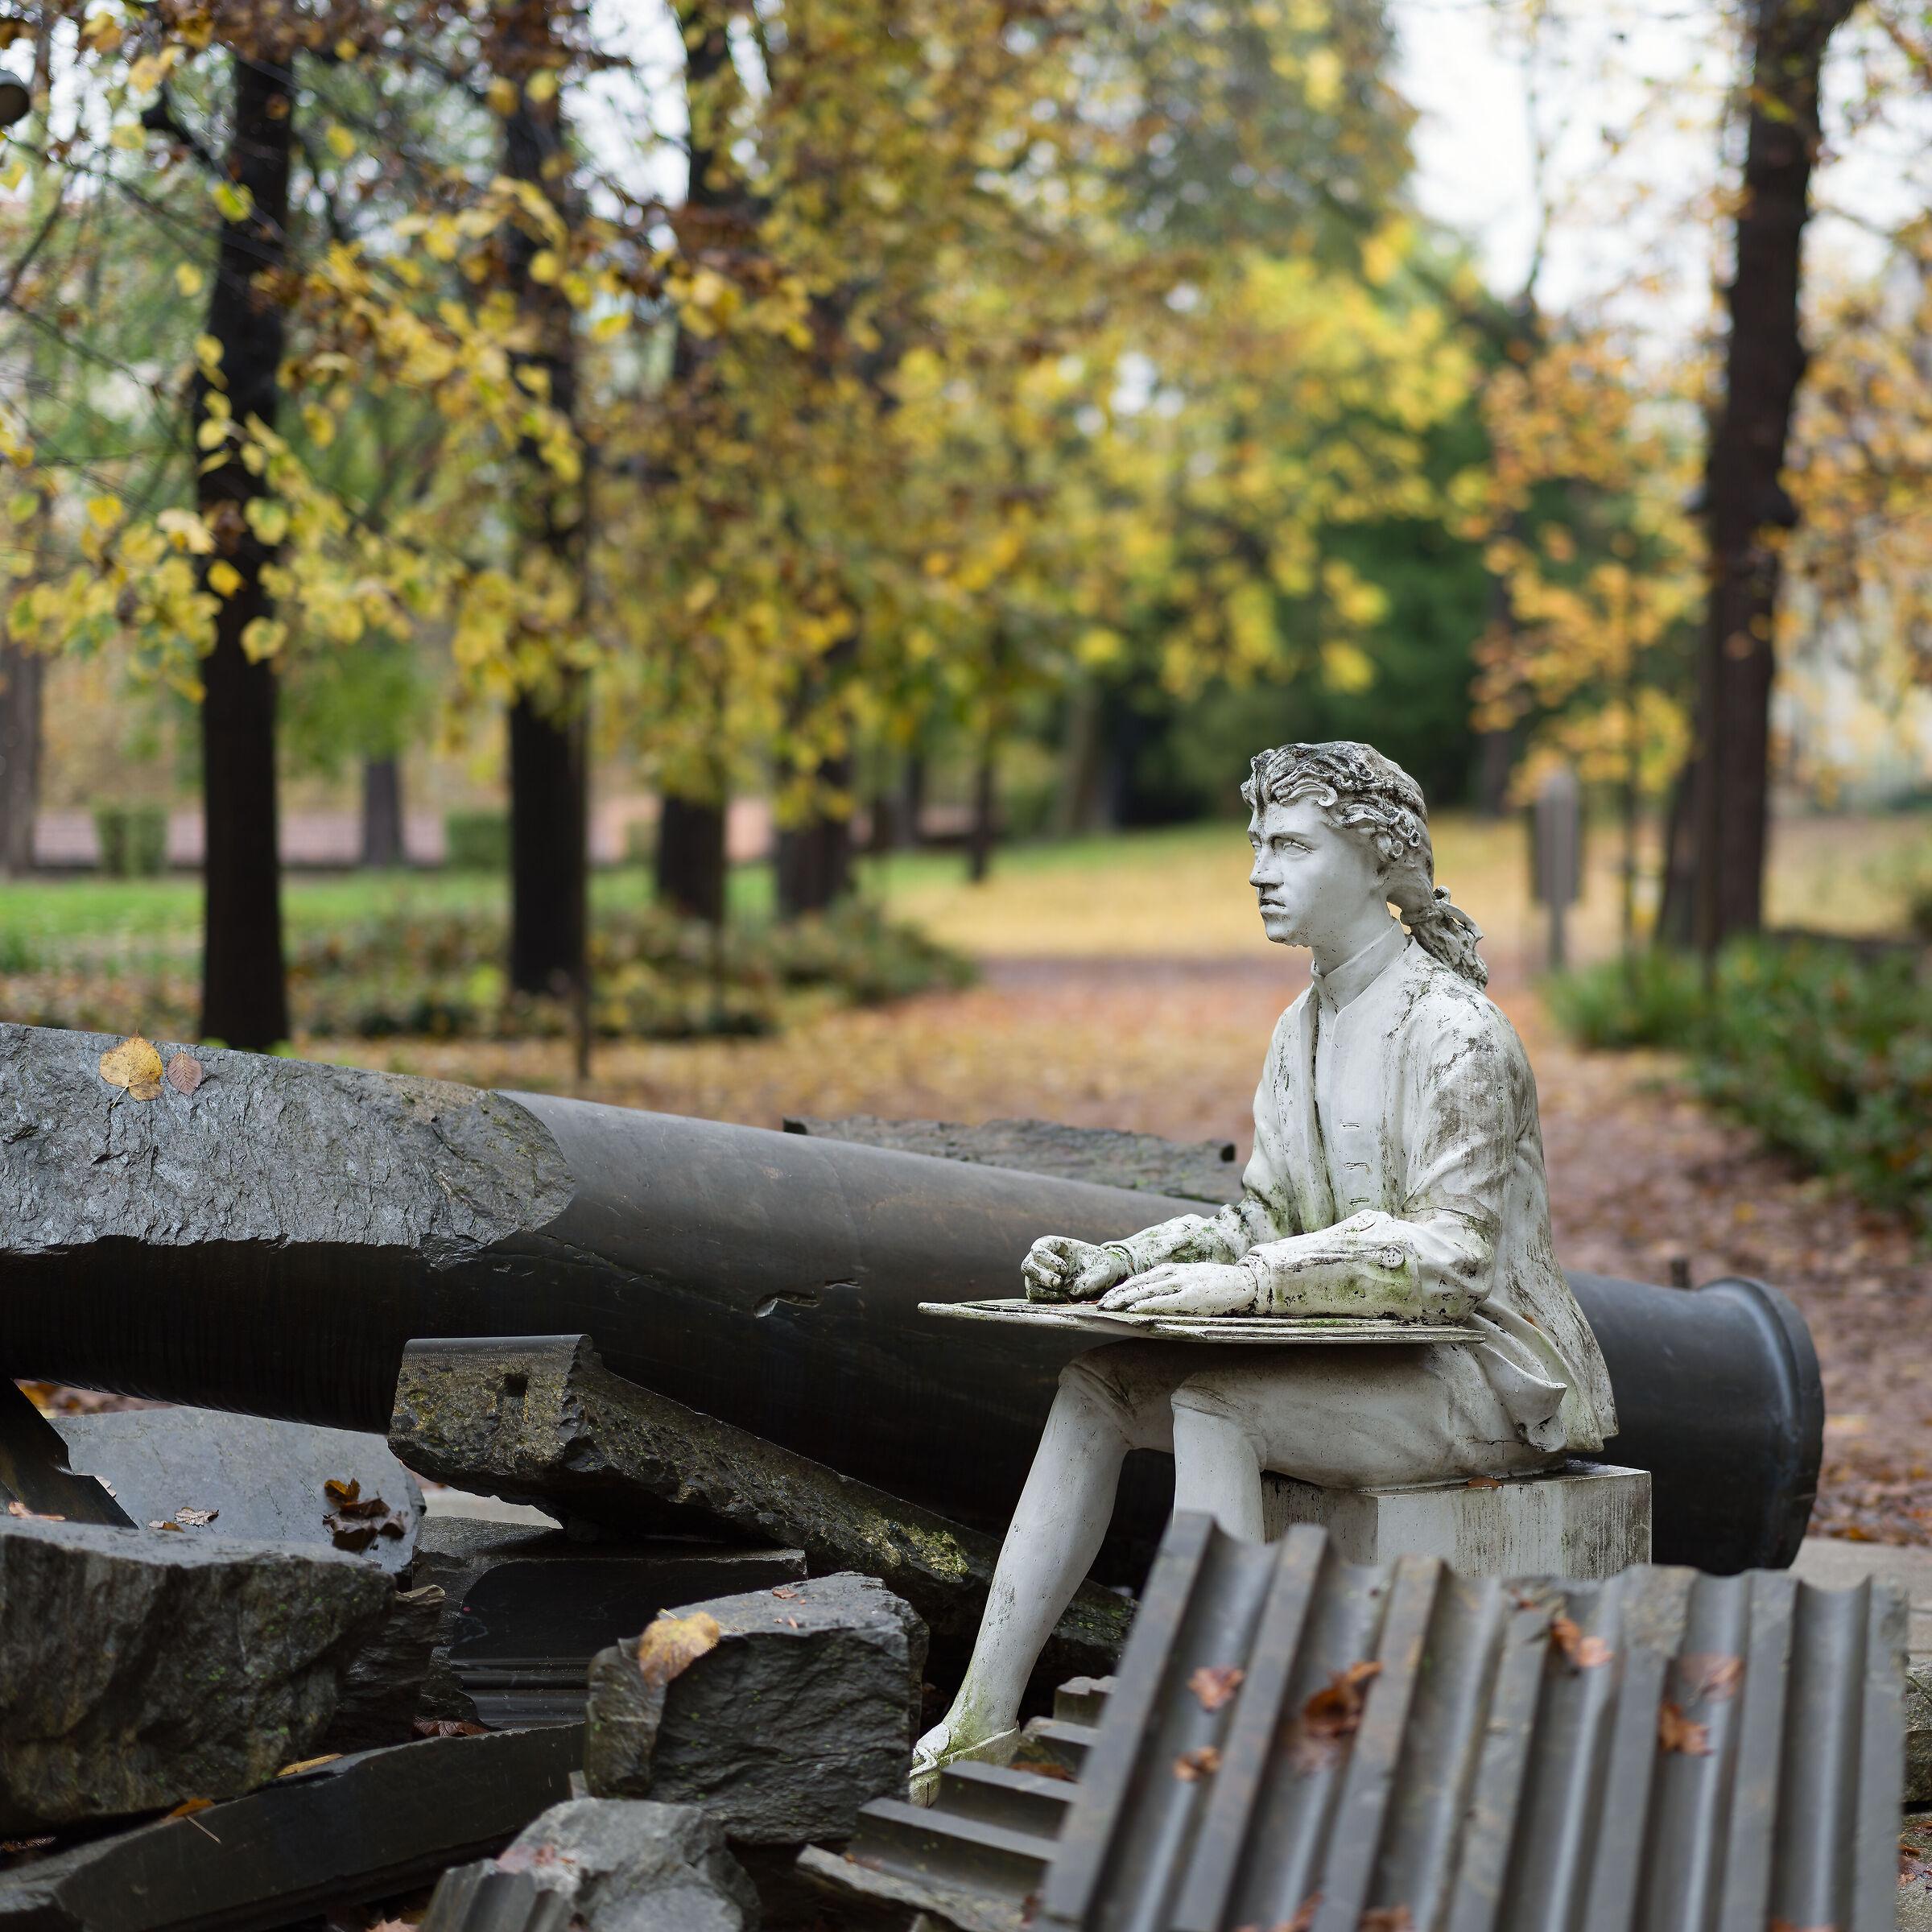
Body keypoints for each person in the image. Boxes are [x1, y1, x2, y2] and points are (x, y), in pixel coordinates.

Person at [912, 740, 1616, 1781]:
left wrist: (1254, 1283)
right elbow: (1266, 1214)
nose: (1258, 869)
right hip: (1370, 1360)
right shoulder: (1303, 1028)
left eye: (1290, 846)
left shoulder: (1457, 1033)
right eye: (1256, 844)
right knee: (1097, 1384)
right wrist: (1120, 1260)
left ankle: (1221, 1735)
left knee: (1215, 1405)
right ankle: (980, 1714)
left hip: (1482, 1378)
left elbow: (1453, 1256)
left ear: (1378, 862)